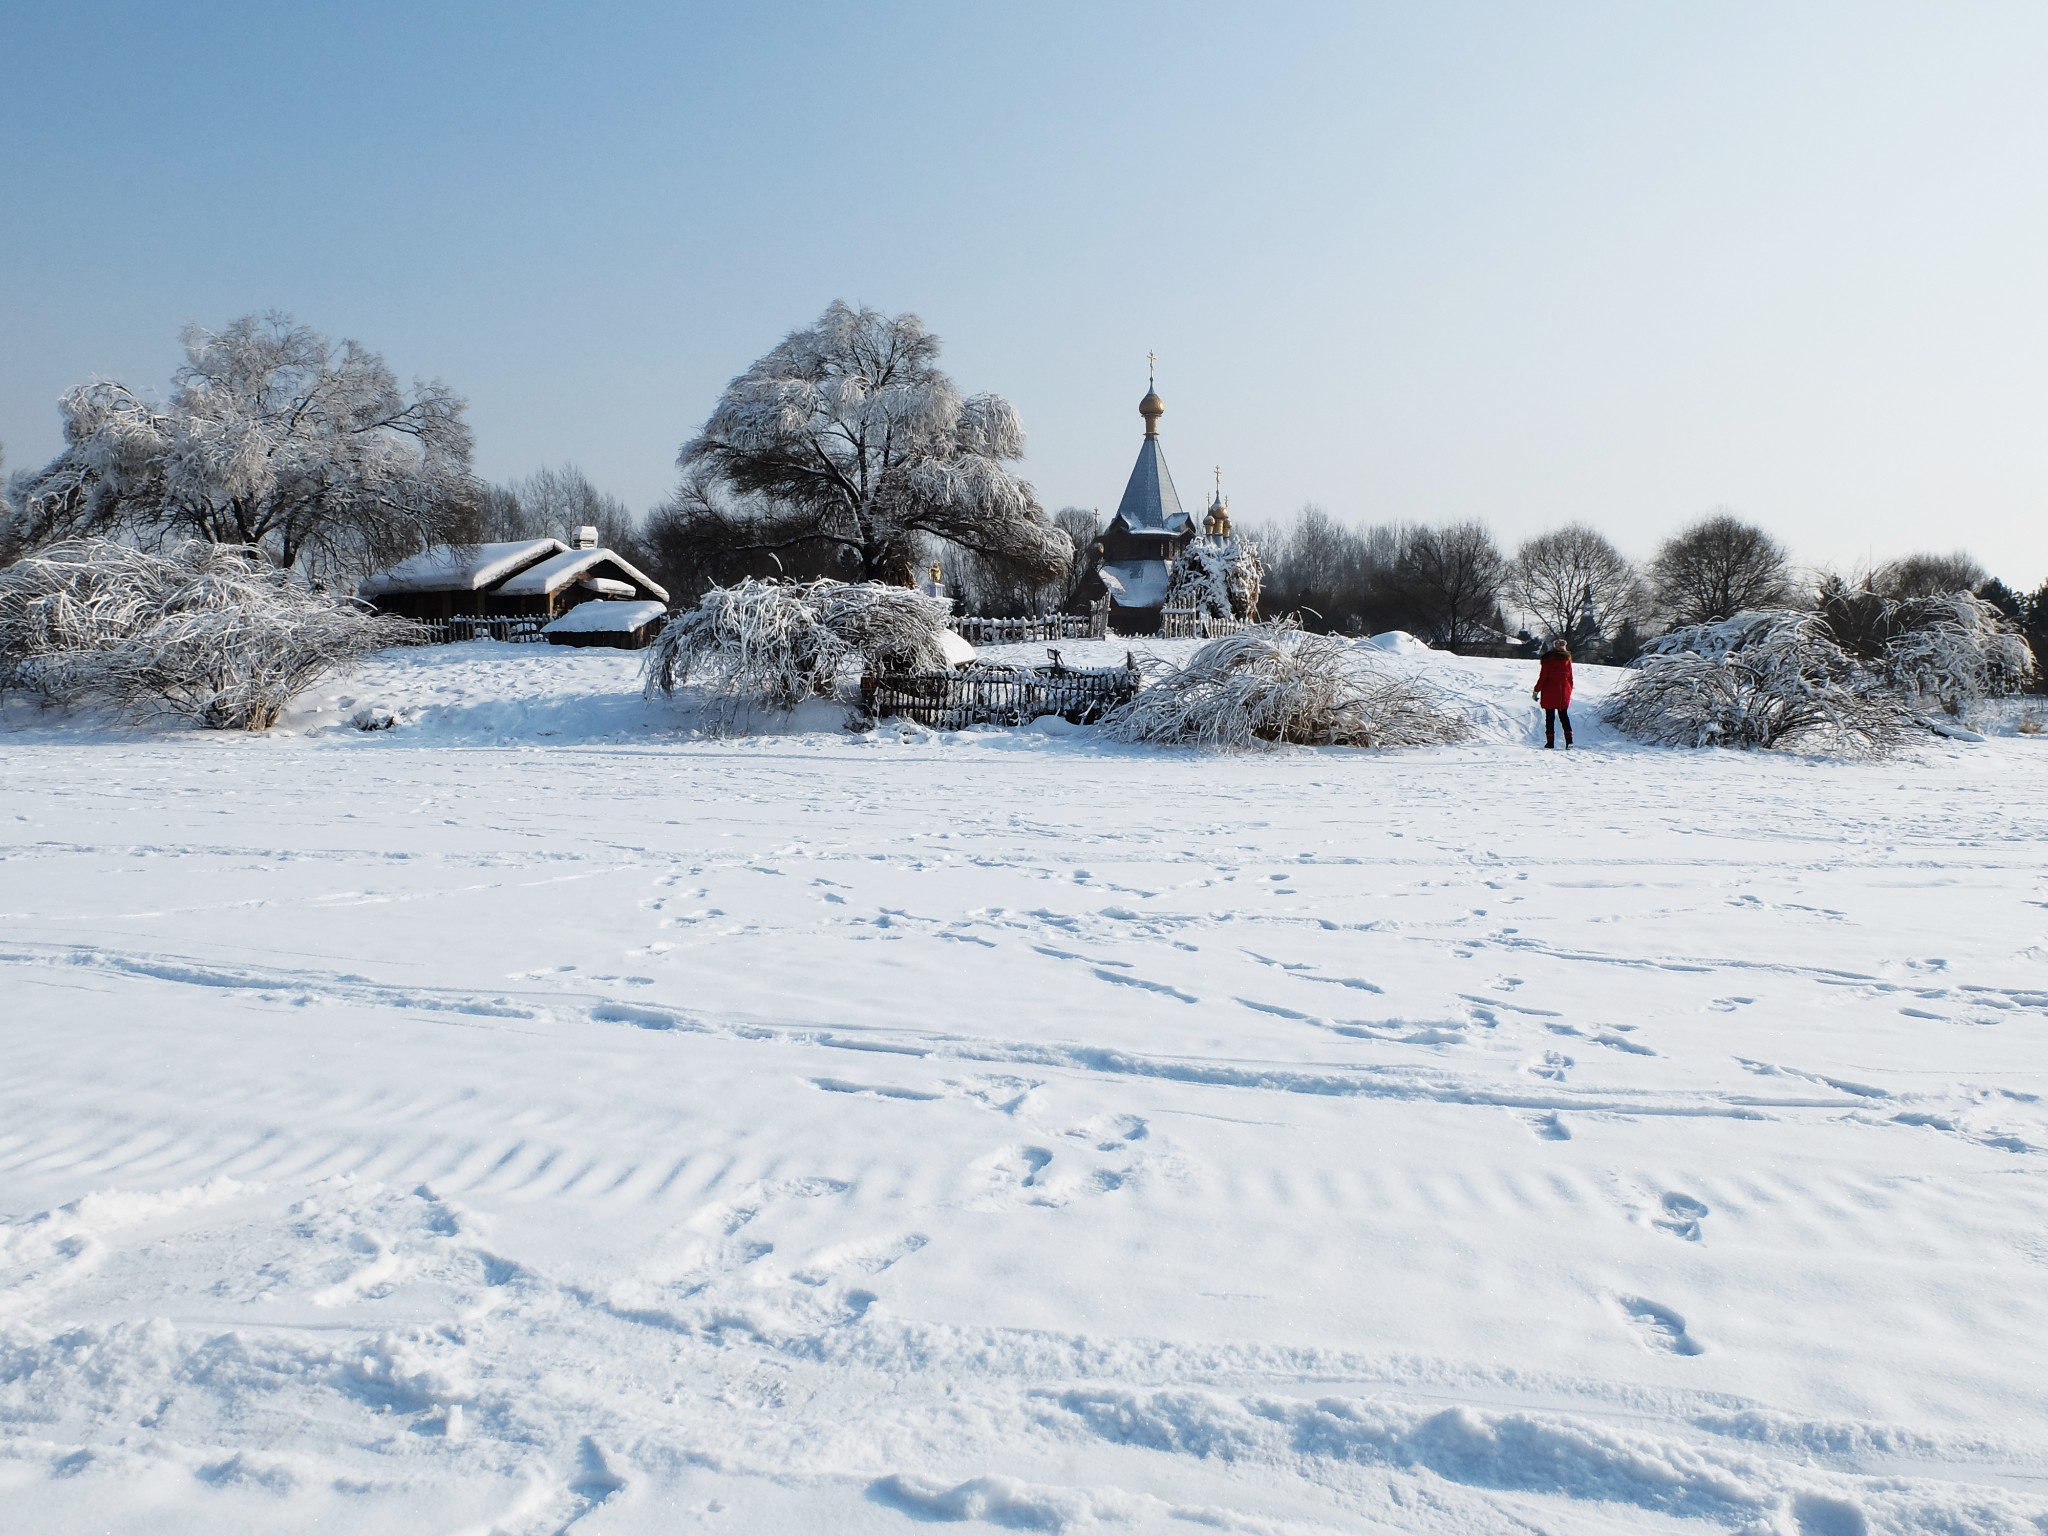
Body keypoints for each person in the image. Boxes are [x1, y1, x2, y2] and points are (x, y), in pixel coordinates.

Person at [1532, 639, 1573, 749]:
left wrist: (1536, 691)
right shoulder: (1567, 659)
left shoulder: (1548, 659)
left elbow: (1543, 678)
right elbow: (1570, 678)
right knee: (1564, 716)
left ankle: (1550, 742)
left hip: (1550, 691)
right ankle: (1569, 741)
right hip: (1563, 692)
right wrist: (1569, 690)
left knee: (1550, 718)